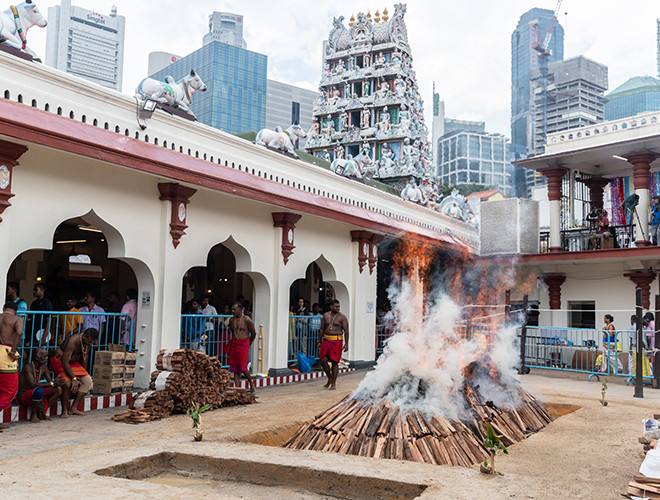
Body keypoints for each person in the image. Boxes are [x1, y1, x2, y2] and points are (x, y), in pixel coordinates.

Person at [50, 328, 98, 417]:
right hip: (59, 361)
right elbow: (65, 363)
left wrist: (83, 372)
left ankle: (73, 408)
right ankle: (64, 410)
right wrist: (74, 378)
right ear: (84, 336)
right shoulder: (72, 341)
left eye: (92, 342)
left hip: (72, 363)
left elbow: (85, 357)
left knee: (88, 381)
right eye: (89, 341)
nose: (90, 344)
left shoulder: (87, 343)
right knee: (67, 383)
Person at [17, 347, 63, 423]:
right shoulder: (28, 367)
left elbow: (51, 382)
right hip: (23, 394)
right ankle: (33, 415)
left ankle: (42, 412)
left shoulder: (44, 367)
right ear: (37, 357)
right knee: (39, 390)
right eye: (44, 356)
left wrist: (57, 382)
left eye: (47, 356)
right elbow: (32, 384)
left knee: (58, 389)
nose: (46, 358)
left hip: (34, 392)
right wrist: (50, 384)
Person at [317, 299, 349, 390]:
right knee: (323, 360)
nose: (337, 308)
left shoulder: (342, 317)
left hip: (337, 341)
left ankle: (333, 383)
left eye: (338, 307)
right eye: (336, 307)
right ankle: (330, 378)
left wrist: (346, 344)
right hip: (326, 340)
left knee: (335, 362)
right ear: (331, 306)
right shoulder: (325, 315)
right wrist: (318, 341)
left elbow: (346, 331)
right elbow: (321, 329)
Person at [0, 302, 23, 421]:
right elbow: (19, 332)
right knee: (9, 390)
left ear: (4, 308)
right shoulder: (17, 319)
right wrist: (13, 351)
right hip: (6, 355)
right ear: (16, 311)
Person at [228, 302, 256, 393]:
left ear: (240, 310)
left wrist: (249, 342)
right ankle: (237, 388)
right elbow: (231, 330)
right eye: (232, 309)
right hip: (234, 344)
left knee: (243, 367)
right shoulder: (231, 320)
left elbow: (253, 333)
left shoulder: (246, 320)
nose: (232, 311)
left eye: (234, 309)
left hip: (243, 344)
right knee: (235, 367)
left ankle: (251, 382)